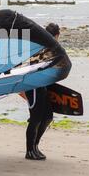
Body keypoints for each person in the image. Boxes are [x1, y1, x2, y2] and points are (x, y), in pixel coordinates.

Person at [24, 22, 60, 160]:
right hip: (32, 86)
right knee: (36, 118)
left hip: (43, 85)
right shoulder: (38, 47)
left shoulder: (53, 48)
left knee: (47, 116)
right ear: (57, 35)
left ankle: (35, 146)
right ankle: (29, 150)